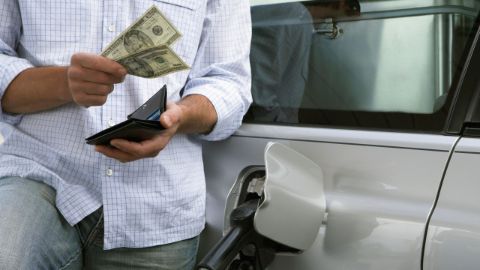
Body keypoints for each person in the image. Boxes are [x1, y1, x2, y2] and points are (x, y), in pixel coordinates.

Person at [0, 0, 251, 269]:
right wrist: (63, 83)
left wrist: (180, 116)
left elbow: (229, 83)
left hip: (156, 204)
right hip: (40, 174)